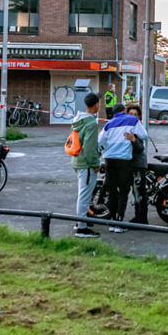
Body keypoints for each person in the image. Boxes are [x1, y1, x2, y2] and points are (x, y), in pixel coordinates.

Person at [98, 102, 148, 232]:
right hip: (124, 161)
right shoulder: (132, 120)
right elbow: (144, 136)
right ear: (125, 110)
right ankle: (120, 222)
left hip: (109, 160)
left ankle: (112, 222)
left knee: (112, 192)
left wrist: (102, 150)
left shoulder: (108, 124)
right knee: (123, 192)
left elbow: (99, 142)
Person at [69, 93, 101, 238]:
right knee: (85, 195)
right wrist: (96, 163)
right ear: (97, 104)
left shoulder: (78, 120)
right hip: (86, 164)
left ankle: (82, 221)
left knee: (83, 193)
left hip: (77, 160)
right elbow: (89, 147)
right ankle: (81, 228)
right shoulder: (92, 123)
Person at [125, 104, 150, 225]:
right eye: (130, 114)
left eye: (135, 114)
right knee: (135, 193)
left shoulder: (137, 129)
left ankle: (142, 220)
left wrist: (133, 140)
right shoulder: (126, 127)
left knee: (139, 193)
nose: (133, 116)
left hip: (138, 164)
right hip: (130, 164)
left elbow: (140, 148)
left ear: (139, 116)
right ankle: (138, 217)